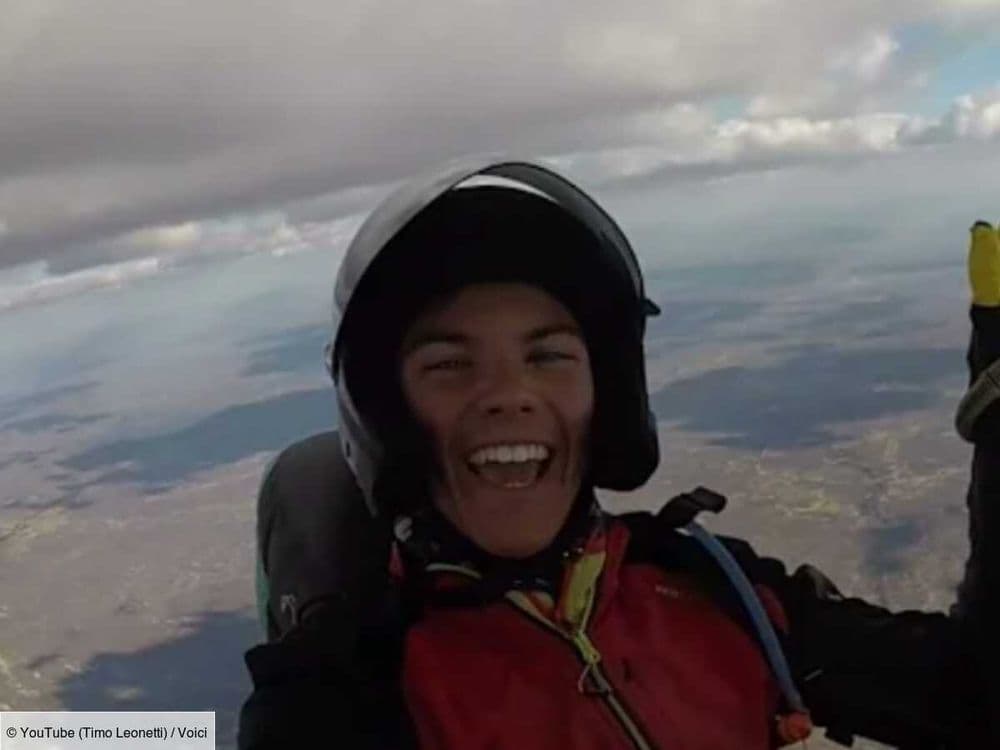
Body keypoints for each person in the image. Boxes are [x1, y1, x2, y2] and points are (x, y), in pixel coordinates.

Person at [238, 158, 999, 749]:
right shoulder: (341, 698)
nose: (509, 394)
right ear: (388, 415)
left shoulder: (713, 590)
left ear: (608, 397)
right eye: (449, 365)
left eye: (549, 357)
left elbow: (977, 696)